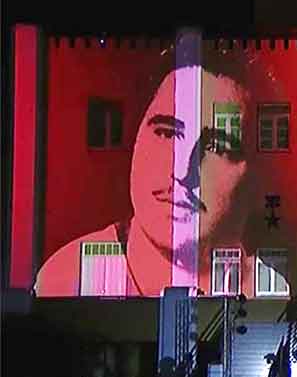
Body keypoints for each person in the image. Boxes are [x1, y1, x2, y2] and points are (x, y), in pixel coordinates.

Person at [36, 46, 265, 297]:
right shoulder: (67, 277)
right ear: (136, 137)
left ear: (254, 175)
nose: (182, 171)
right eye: (167, 132)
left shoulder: (267, 289)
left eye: (217, 146)